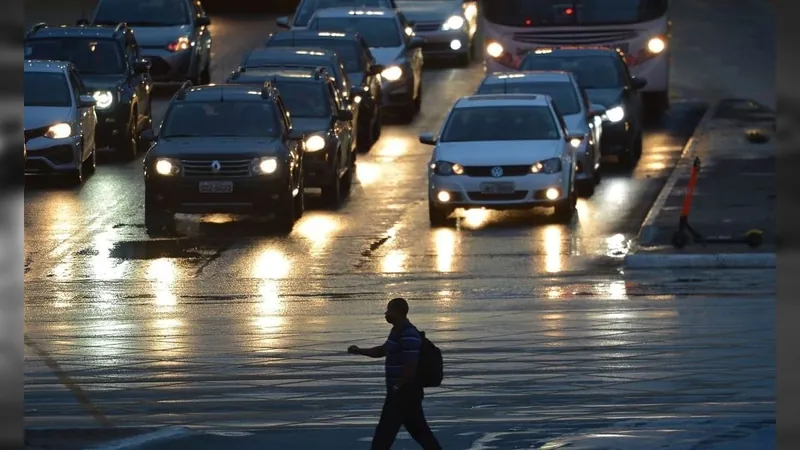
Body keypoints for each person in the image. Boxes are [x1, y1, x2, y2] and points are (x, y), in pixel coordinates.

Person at [347, 298, 442, 450]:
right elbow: (382, 350)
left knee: (383, 437)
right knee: (420, 433)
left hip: (404, 393)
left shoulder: (409, 334)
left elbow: (410, 366)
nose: (386, 314)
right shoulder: (396, 331)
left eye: (389, 310)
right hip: (403, 393)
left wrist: (397, 387)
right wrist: (359, 351)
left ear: (398, 312)